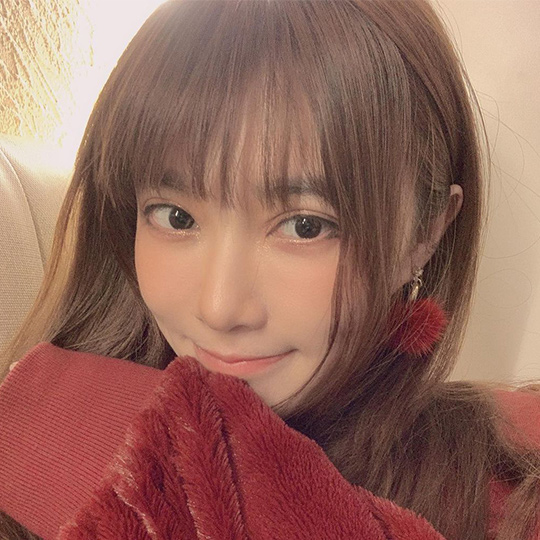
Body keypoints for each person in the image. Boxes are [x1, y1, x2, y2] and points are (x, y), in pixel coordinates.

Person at [0, 0, 539, 538]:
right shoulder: (40, 425)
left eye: (305, 226)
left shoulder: (505, 495)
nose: (220, 308)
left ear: (424, 234)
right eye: (176, 216)